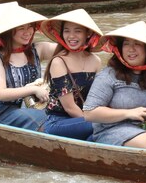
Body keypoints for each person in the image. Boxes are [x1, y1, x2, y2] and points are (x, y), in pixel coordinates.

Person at [83, 21, 146, 150]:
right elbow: (89, 113)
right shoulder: (109, 75)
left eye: (137, 44)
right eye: (126, 44)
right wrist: (129, 113)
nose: (131, 49)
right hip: (114, 130)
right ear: (120, 49)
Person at [0, 5, 57, 131]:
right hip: (5, 112)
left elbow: (64, 50)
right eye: (21, 28)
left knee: (58, 115)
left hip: (35, 106)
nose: (28, 32)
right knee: (48, 121)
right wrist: (33, 90)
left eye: (30, 26)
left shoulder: (38, 49)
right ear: (9, 31)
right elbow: (1, 94)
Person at [40, 9, 103, 140]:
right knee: (103, 125)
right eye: (67, 31)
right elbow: (70, 107)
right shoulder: (59, 61)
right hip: (58, 122)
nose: (71, 36)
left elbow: (98, 98)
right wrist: (95, 120)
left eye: (77, 31)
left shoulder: (96, 61)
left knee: (99, 132)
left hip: (85, 120)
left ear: (88, 33)